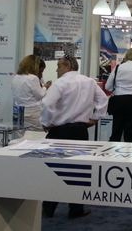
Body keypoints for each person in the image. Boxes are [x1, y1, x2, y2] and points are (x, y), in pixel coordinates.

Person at [41, 55, 108, 219]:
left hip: (60, 131)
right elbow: (103, 99)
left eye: (59, 65)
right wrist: (95, 118)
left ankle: (48, 208)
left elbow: (47, 104)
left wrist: (46, 122)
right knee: (78, 171)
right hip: (80, 131)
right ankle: (76, 209)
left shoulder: (60, 83)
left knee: (54, 170)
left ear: (67, 66)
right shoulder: (89, 81)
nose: (56, 69)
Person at [11, 54, 46, 131]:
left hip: (18, 113)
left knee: (19, 134)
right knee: (36, 135)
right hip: (32, 114)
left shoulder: (16, 77)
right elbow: (40, 95)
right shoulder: (33, 78)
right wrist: (45, 87)